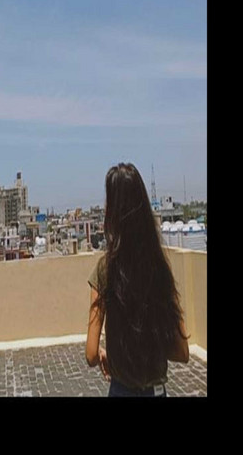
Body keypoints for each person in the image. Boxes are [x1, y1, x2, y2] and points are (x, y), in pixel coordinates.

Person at [85, 162, 190, 397]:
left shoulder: (105, 269)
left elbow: (91, 354)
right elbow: (182, 351)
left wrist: (112, 355)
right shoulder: (159, 268)